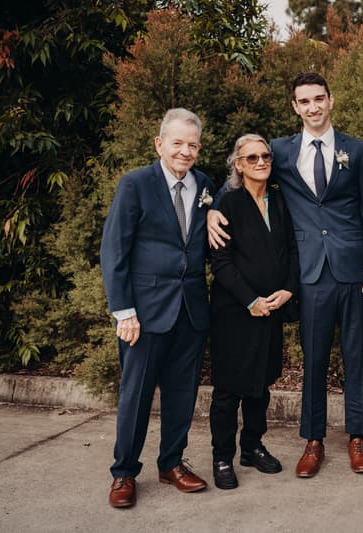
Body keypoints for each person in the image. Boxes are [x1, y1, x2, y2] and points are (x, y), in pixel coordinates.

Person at [208, 72, 363, 478]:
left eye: (319, 99)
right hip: (310, 272)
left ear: (330, 101)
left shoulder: (358, 150)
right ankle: (313, 439)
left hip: (354, 269)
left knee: (356, 357)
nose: (313, 107)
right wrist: (213, 206)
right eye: (304, 101)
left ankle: (357, 437)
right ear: (295, 107)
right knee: (314, 359)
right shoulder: (280, 152)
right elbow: (244, 174)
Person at [100, 108, 213, 508]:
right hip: (144, 313)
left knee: (182, 394)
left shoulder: (205, 185)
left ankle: (172, 464)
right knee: (136, 395)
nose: (185, 151)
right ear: (159, 144)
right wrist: (123, 310)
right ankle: (124, 472)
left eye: (193, 145)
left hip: (191, 309)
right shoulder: (135, 185)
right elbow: (114, 249)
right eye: (178, 143)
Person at [208, 134, 299, 490]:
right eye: (251, 158)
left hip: (273, 307)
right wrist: (250, 300)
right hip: (235, 311)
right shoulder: (228, 204)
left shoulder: (278, 199)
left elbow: (292, 249)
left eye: (265, 156)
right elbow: (221, 262)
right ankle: (221, 455)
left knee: (260, 385)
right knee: (229, 389)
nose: (261, 162)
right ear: (238, 165)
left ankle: (252, 446)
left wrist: (288, 289)